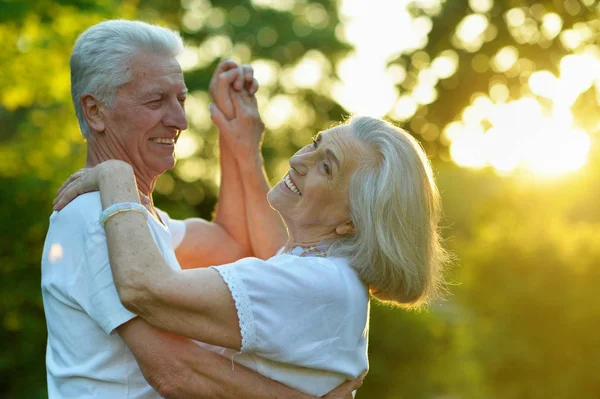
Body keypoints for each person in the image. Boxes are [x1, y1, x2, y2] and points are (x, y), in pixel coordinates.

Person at [42, 19, 359, 398]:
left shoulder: (133, 215)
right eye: (156, 101)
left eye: (181, 99)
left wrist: (238, 140)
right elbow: (176, 374)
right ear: (95, 112)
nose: (180, 121)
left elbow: (234, 244)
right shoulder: (98, 217)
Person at [54, 92, 448, 394]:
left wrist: (117, 178)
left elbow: (146, 289)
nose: (299, 160)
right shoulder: (319, 272)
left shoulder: (320, 284)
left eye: (325, 166)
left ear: (352, 221)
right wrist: (244, 147)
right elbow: (263, 257)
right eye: (315, 142)